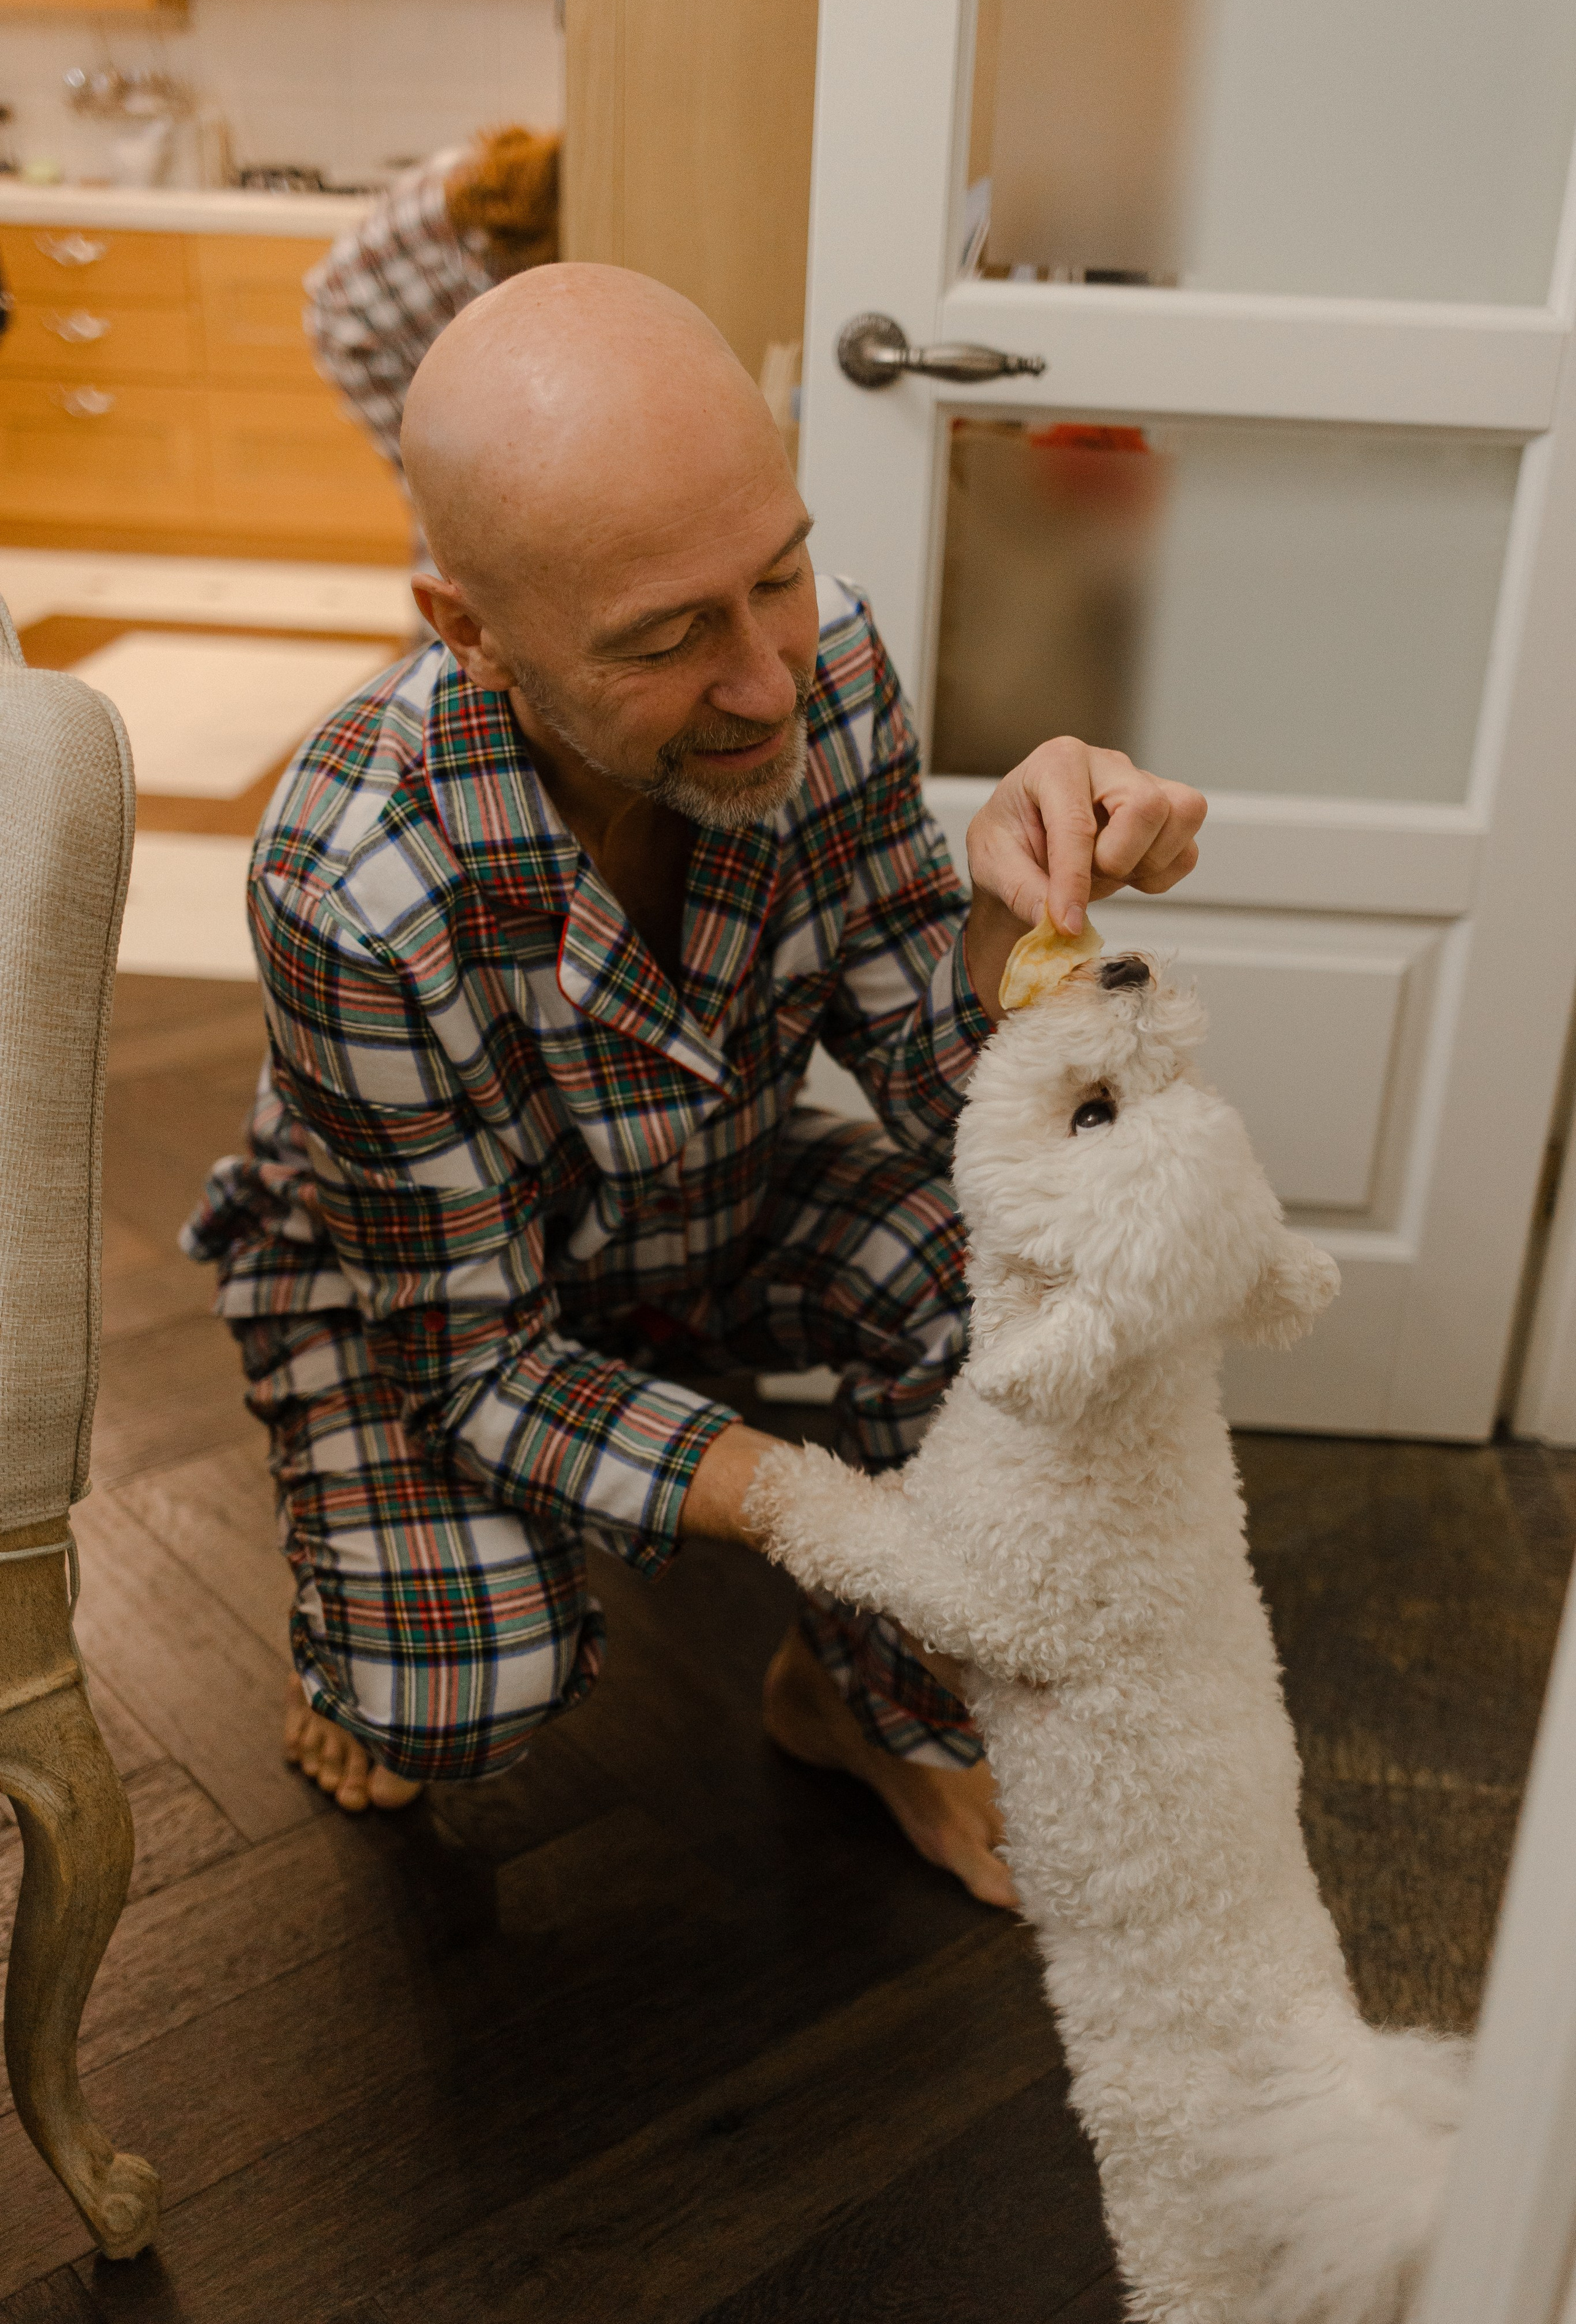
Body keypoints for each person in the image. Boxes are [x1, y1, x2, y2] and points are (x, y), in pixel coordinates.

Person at [182, 264, 1207, 1910]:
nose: (765, 679)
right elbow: (487, 1363)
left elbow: (953, 1103)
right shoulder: (346, 880)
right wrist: (836, 1512)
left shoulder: (828, 665)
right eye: (666, 639)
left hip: (717, 1197)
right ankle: (351, 1548)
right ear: (470, 633)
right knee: (448, 1703)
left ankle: (864, 1709)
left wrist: (1024, 928)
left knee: (1013, 1287)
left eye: (780, 575)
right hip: (432, 1304)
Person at [305, 124, 559, 478]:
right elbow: (501, 354)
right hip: (364, 334)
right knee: (444, 478)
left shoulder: (513, 174)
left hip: (417, 301)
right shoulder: (492, 233)